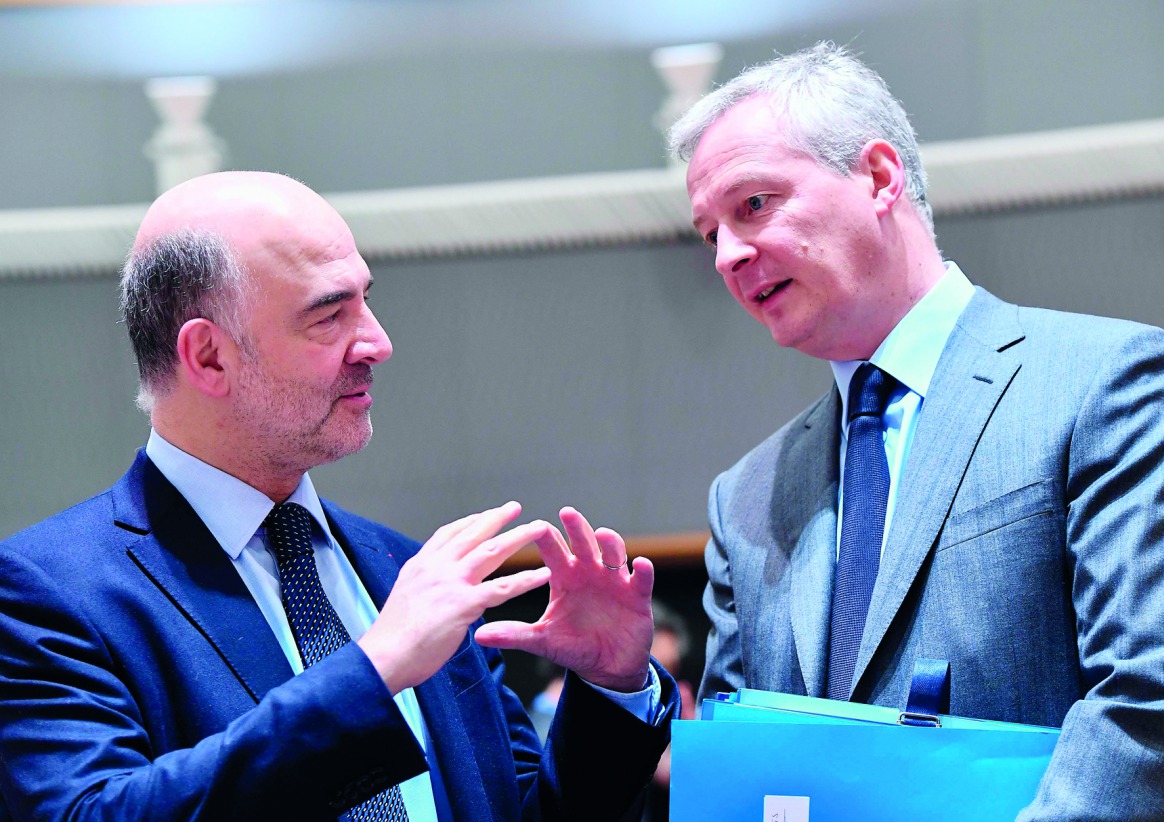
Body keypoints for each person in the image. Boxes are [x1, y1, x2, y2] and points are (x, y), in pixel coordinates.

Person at [0, 171, 679, 821]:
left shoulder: (407, 571)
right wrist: (375, 669)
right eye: (329, 316)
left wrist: (610, 688)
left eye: (366, 298)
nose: (378, 342)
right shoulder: (49, 592)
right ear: (208, 357)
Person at [669, 42, 1164, 819]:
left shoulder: (1103, 381)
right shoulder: (745, 496)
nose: (728, 256)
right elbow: (747, 759)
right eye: (709, 233)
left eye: (752, 206)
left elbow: (1157, 698)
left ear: (879, 178)